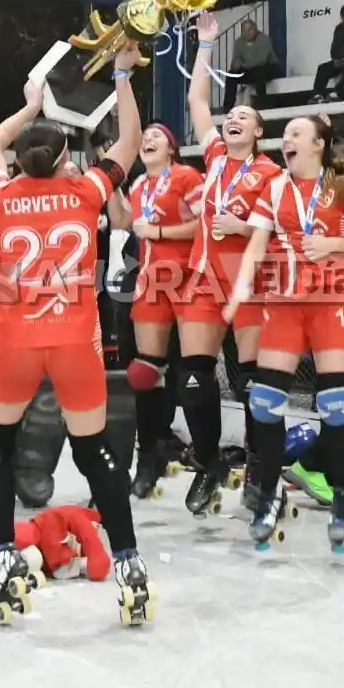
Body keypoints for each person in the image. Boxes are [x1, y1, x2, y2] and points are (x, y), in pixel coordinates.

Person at [0, 54, 155, 625]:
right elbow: (129, 139)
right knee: (94, 450)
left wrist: (29, 104)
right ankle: (127, 563)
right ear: (65, 160)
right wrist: (123, 76)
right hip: (76, 340)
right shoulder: (86, 192)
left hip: (18, 341)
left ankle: (1, 553)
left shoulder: (1, 196)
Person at [226, 116, 344, 549]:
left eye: (295, 133)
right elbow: (257, 240)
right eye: (286, 134)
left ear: (318, 143)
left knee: (336, 402)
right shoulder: (274, 187)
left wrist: (333, 244)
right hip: (284, 303)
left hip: (331, 301)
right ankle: (270, 492)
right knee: (265, 400)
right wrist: (242, 284)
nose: (286, 140)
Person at [183, 12, 284, 514]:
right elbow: (198, 101)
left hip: (249, 283)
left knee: (253, 383)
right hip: (205, 281)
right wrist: (205, 44)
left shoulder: (272, 173)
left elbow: (286, 230)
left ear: (260, 131)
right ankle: (208, 464)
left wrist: (244, 228)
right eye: (232, 117)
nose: (234, 119)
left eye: (245, 117)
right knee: (194, 378)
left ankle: (264, 472)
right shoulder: (217, 157)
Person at [106, 123, 204, 498]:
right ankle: (148, 458)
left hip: (189, 278)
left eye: (156, 136)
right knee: (146, 373)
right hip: (149, 281)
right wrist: (111, 185)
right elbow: (123, 222)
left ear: (172, 148)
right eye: (144, 136)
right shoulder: (138, 185)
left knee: (193, 372)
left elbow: (206, 225)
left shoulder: (186, 176)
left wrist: (161, 234)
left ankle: (205, 455)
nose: (147, 139)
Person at [222, 19, 281, 111]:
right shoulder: (238, 42)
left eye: (250, 29)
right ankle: (227, 107)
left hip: (269, 68)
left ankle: (263, 104)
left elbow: (261, 61)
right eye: (244, 30)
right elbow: (235, 60)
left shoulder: (264, 39)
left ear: (255, 29)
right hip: (250, 71)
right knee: (231, 75)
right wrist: (235, 65)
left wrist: (243, 64)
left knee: (259, 71)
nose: (247, 33)